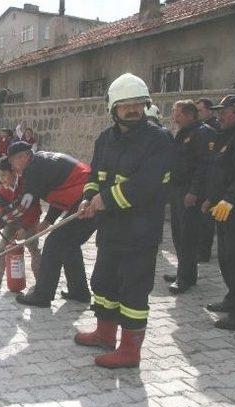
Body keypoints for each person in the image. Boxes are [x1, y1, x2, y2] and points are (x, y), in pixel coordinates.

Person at [75, 73, 174, 368]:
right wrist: (88, 197)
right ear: (113, 109)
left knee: (133, 288)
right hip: (110, 229)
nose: (133, 110)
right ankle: (105, 334)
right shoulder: (105, 138)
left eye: (138, 104)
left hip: (140, 231)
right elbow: (95, 176)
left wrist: (105, 200)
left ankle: (130, 351)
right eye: (125, 105)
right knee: (104, 281)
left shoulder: (159, 139)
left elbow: (148, 184)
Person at [0, 141, 96, 307]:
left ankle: (42, 295)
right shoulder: (40, 163)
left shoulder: (34, 168)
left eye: (12, 161)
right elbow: (59, 192)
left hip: (88, 199)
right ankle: (79, 292)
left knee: (55, 242)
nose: (12, 167)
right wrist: (49, 220)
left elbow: (24, 204)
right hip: (84, 197)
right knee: (69, 243)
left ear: (24, 156)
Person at [163, 100, 216, 294]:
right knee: (178, 233)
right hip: (178, 191)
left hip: (190, 193)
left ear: (190, 114)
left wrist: (194, 191)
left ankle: (184, 278)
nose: (174, 117)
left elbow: (204, 166)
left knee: (187, 236)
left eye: (177, 113)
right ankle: (184, 272)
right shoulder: (184, 133)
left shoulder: (203, 133)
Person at [203, 95, 235, 330]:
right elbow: (218, 172)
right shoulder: (227, 136)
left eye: (224, 112)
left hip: (234, 207)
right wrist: (212, 198)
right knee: (227, 258)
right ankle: (232, 299)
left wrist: (229, 199)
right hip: (224, 208)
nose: (219, 116)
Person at [0, 156, 41, 289]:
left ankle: (41, 279)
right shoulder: (2, 191)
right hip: (12, 222)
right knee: (2, 248)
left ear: (13, 172)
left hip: (30, 221)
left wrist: (25, 228)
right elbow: (2, 212)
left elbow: (35, 210)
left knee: (33, 249)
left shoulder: (26, 185)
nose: (2, 179)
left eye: (4, 175)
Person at [196, 97, 221, 263]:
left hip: (210, 180)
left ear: (209, 111)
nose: (198, 113)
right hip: (201, 180)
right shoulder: (200, 129)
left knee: (206, 219)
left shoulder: (214, 129)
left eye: (200, 110)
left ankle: (204, 252)